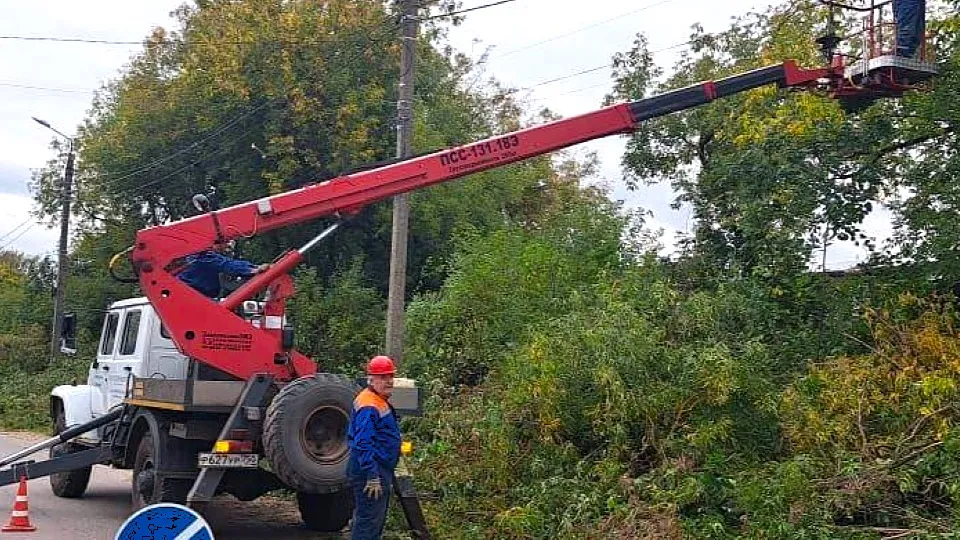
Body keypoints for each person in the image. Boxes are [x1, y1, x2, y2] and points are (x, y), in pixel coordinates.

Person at [347, 355, 401, 540]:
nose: (389, 381)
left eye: (390, 377)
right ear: (371, 379)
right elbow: (363, 442)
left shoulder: (377, 400)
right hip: (370, 471)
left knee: (372, 521)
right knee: (368, 522)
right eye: (383, 377)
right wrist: (372, 475)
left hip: (376, 469)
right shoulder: (369, 404)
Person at [177, 242, 269, 298]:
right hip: (191, 295)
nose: (226, 245)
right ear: (214, 243)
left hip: (189, 294)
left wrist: (254, 267)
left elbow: (228, 263)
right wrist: (254, 269)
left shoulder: (195, 257)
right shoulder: (205, 257)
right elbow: (227, 265)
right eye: (224, 243)